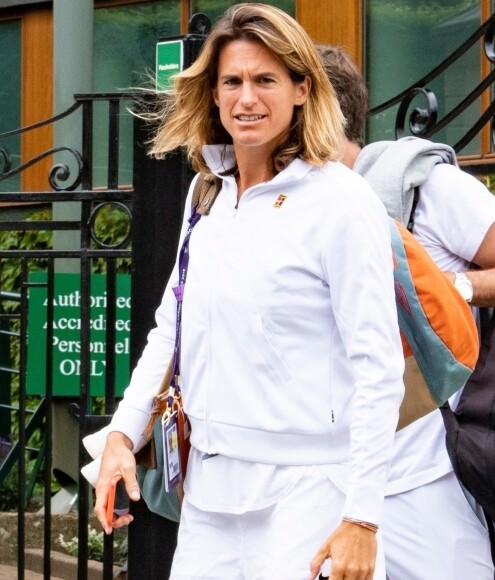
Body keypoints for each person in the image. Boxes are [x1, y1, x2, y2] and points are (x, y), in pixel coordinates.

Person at [94, 5, 407, 579]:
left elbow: (378, 366)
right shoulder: (205, 192)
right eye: (232, 81)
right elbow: (172, 328)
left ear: (301, 89)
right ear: (212, 94)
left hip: (311, 493)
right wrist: (121, 434)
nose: (247, 98)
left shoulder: (340, 201)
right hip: (211, 494)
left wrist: (362, 517)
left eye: (265, 80)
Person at [318, 44, 495, 579]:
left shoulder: (424, 185)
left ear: (321, 109)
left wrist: (445, 286)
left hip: (436, 475)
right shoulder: (289, 207)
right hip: (333, 476)